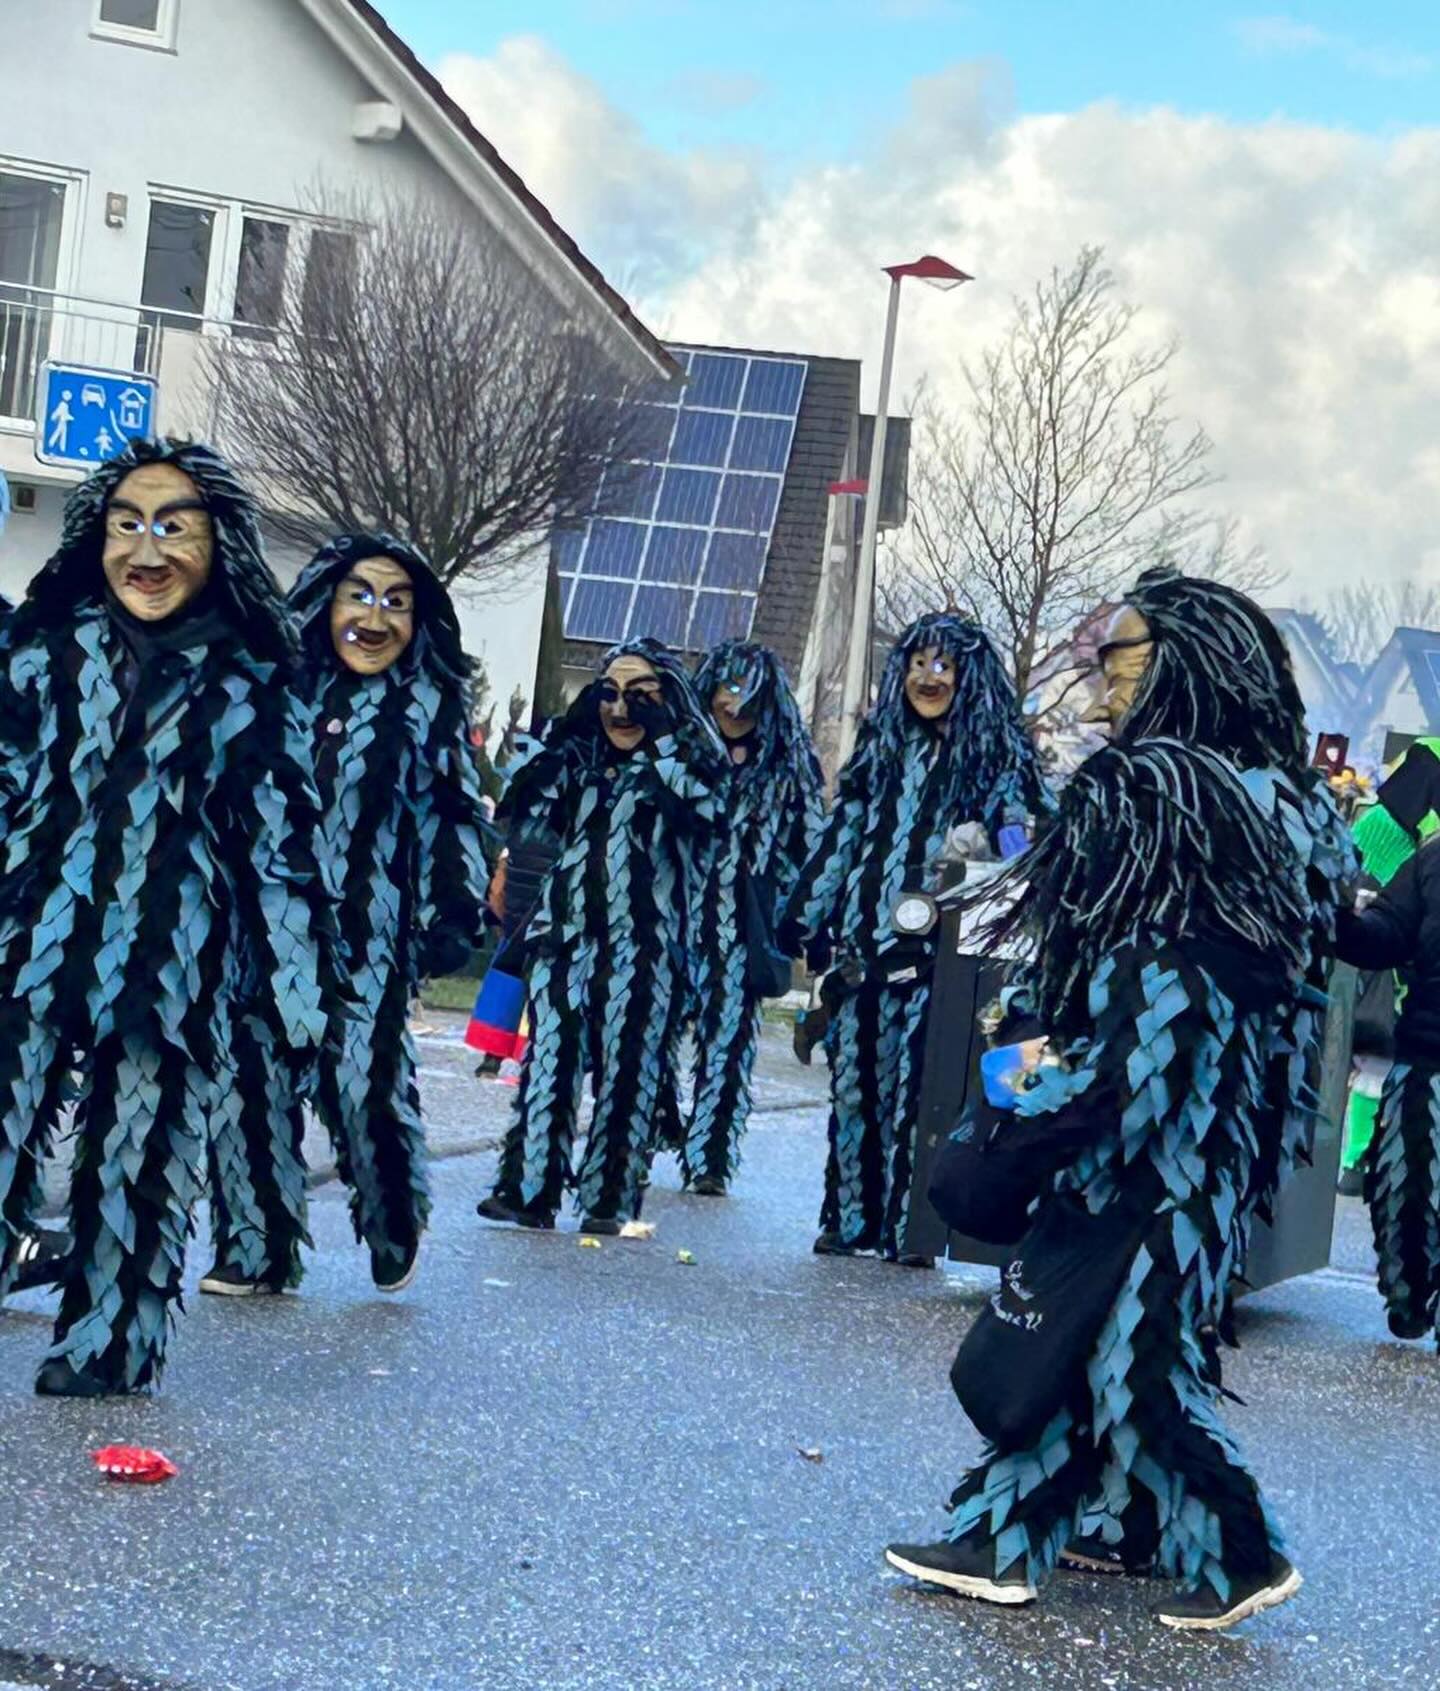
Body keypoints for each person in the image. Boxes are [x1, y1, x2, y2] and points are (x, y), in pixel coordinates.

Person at [885, 567, 1350, 1630]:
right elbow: (1105, 952)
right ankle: (1006, 1538)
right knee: (1096, 1339)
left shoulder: (1235, 805)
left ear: (1186, 661)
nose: (1101, 686)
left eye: (1119, 659)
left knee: (1134, 1353)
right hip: (1123, 1126)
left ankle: (1230, 1546)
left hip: (1174, 1138)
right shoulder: (1152, 789)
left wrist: (1086, 1092)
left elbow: (1204, 998)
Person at [0, 439, 329, 1396]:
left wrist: (298, 994)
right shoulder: (40, 655)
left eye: (175, 527)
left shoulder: (252, 687)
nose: (148, 551)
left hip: (171, 961)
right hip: (30, 935)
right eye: (127, 524)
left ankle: (109, 1341)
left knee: (138, 1150)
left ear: (219, 544)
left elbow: (278, 851)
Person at [203, 533, 494, 1297]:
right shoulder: (276, 691)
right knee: (246, 1087)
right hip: (260, 932)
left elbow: (453, 815)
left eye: (396, 602)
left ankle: (393, 1213)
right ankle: (255, 1242)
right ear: (325, 604)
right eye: (359, 595)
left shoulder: (426, 710)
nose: (375, 617)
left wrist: (452, 909)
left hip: (366, 940)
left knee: (364, 1085)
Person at [780, 613, 1047, 1263]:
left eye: (944, 666)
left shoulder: (993, 758)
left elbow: (1021, 836)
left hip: (939, 962)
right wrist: (803, 912)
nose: (928, 677)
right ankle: (850, 1218)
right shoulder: (880, 752)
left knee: (917, 1094)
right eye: (917, 663)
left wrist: (1006, 859)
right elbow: (841, 838)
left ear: (968, 678)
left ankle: (910, 1227)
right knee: (855, 1089)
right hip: (865, 952)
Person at [477, 638, 723, 1234]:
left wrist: (663, 739)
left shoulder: (684, 767)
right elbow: (524, 808)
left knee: (628, 1071)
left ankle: (608, 1198)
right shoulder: (581, 760)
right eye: (610, 694)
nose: (622, 711)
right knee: (552, 1063)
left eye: (639, 697)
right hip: (566, 938)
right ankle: (529, 1190)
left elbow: (709, 816)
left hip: (644, 951)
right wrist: (567, 735)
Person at [679, 640, 824, 1195]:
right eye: (726, 687)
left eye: (747, 692)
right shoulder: (682, 753)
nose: (733, 703)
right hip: (673, 916)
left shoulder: (789, 768)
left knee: (729, 1042)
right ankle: (645, 1133)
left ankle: (710, 1156)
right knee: (650, 1031)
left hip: (744, 925)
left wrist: (801, 914)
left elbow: (811, 846)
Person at [1333, 834, 1440, 1338]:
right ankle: (1411, 1294)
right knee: (1406, 1190)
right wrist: (1333, 919)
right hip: (1428, 1054)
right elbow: (1388, 932)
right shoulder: (1434, 858)